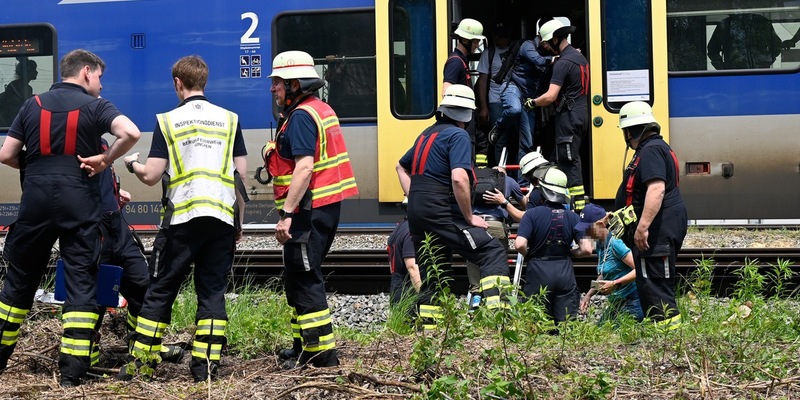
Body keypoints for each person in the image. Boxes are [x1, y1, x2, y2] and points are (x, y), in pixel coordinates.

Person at [0, 49, 140, 387]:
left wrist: (37, 167)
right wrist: (105, 160)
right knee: (81, 282)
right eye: (100, 78)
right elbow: (131, 133)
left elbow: (6, 154)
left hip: (35, 202)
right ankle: (72, 374)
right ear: (87, 72)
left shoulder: (31, 105)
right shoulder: (96, 107)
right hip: (79, 203)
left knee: (18, 284)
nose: (101, 86)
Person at [120, 55, 247, 382]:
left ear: (178, 83)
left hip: (182, 220)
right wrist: (238, 223)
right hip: (220, 218)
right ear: (204, 81)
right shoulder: (230, 120)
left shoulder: (168, 120)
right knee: (212, 294)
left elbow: (151, 176)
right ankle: (205, 368)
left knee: (161, 290)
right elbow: (240, 179)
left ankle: (142, 365)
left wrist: (131, 164)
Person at [267, 50, 358, 369]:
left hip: (308, 210)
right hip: (322, 207)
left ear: (294, 84)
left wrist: (287, 213)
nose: (273, 89)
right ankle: (301, 345)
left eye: (277, 82)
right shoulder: (320, 109)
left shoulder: (303, 116)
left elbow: (305, 168)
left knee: (304, 277)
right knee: (296, 275)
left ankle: (321, 355)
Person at [396, 84, 510, 330]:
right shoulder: (458, 136)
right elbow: (459, 178)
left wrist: (414, 195)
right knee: (491, 250)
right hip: (441, 211)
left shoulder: (426, 134)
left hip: (417, 214)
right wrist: (469, 217)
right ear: (467, 115)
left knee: (434, 270)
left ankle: (429, 330)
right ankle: (499, 322)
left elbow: (400, 166)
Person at [92, 138, 184, 367]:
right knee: (93, 299)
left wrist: (115, 194)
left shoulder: (102, 142)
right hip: (93, 231)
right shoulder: (72, 145)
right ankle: (85, 358)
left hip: (117, 227)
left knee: (143, 287)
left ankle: (143, 345)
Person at [614, 101, 687, 331]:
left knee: (655, 281)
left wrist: (642, 227)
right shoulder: (656, 147)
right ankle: (662, 330)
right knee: (651, 279)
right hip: (661, 226)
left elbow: (656, 189)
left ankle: (666, 335)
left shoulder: (651, 151)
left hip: (657, 229)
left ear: (631, 130)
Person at [523, 19, 589, 212]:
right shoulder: (580, 58)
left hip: (568, 119)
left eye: (545, 43)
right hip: (580, 115)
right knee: (562, 158)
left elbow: (551, 96)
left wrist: (532, 102)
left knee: (569, 163)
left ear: (555, 38)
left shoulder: (564, 63)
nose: (544, 46)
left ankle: (577, 210)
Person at [513, 166, 592, 324]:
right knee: (566, 325)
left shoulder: (531, 215)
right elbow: (587, 249)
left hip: (538, 269)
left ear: (544, 191)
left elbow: (519, 244)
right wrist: (570, 253)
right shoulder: (575, 217)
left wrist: (530, 254)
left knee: (537, 324)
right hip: (564, 270)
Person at [487, 27, 551, 182]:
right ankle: (499, 127)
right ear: (542, 39)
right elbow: (538, 61)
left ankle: (521, 182)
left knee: (527, 142)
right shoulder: (527, 46)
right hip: (512, 88)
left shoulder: (547, 52)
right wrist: (556, 58)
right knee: (514, 109)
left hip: (529, 97)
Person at [466, 165, 525, 306]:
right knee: (498, 262)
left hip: (475, 225)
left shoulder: (474, 181)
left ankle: (476, 298)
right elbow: (524, 205)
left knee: (474, 260)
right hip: (496, 225)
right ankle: (500, 301)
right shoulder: (509, 181)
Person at [577, 204, 644, 324]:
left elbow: (639, 270)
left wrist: (614, 284)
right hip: (617, 301)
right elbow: (605, 272)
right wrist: (588, 295)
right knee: (599, 331)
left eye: (587, 229)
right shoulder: (600, 245)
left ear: (601, 225)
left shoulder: (615, 244)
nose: (585, 233)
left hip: (632, 300)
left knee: (610, 334)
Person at [444, 18, 489, 167]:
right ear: (464, 39)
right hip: (462, 119)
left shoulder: (462, 61)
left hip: (466, 118)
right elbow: (446, 92)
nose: (477, 45)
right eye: (475, 41)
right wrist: (459, 121)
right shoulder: (455, 62)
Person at [476, 23, 514, 166]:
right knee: (499, 139)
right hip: (496, 102)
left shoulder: (516, 51)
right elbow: (482, 81)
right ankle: (501, 172)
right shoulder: (489, 53)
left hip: (516, 100)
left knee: (516, 138)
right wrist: (484, 107)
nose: (498, 40)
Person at [707, 13, 783, 70]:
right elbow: (712, 50)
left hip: (759, 73)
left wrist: (765, 62)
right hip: (733, 73)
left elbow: (776, 45)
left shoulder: (762, 22)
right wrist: (723, 69)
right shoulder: (725, 24)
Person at [387, 198, 420, 306]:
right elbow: (412, 267)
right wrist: (423, 295)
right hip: (408, 291)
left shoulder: (399, 228)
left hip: (396, 287)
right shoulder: (411, 231)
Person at [0, 58, 38, 126]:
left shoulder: (27, 88)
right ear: (26, 72)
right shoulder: (14, 87)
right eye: (33, 70)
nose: (36, 72)